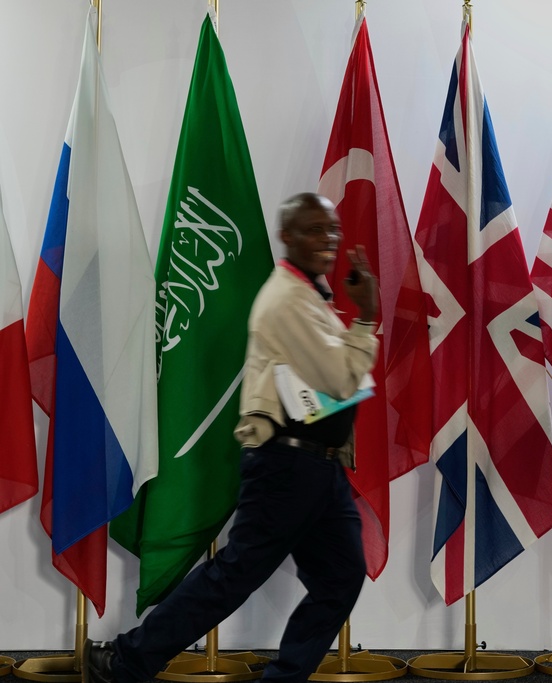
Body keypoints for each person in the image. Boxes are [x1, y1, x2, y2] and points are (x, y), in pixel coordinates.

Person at [85, 192, 380, 683]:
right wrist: (367, 318)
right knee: (232, 577)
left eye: (331, 230)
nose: (327, 240)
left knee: (341, 576)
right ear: (286, 236)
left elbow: (336, 387)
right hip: (286, 466)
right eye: (312, 229)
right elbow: (342, 381)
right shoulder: (286, 299)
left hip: (318, 468)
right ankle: (127, 659)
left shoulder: (310, 296)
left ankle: (281, 676)